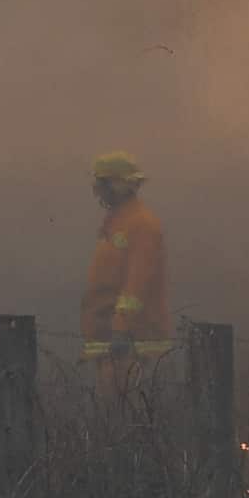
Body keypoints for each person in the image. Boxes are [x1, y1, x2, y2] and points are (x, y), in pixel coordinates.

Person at [80, 151, 172, 401]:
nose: (98, 190)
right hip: (110, 339)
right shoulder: (117, 222)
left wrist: (121, 330)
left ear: (120, 185)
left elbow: (136, 285)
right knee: (110, 419)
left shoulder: (142, 225)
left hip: (130, 342)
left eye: (103, 183)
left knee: (125, 416)